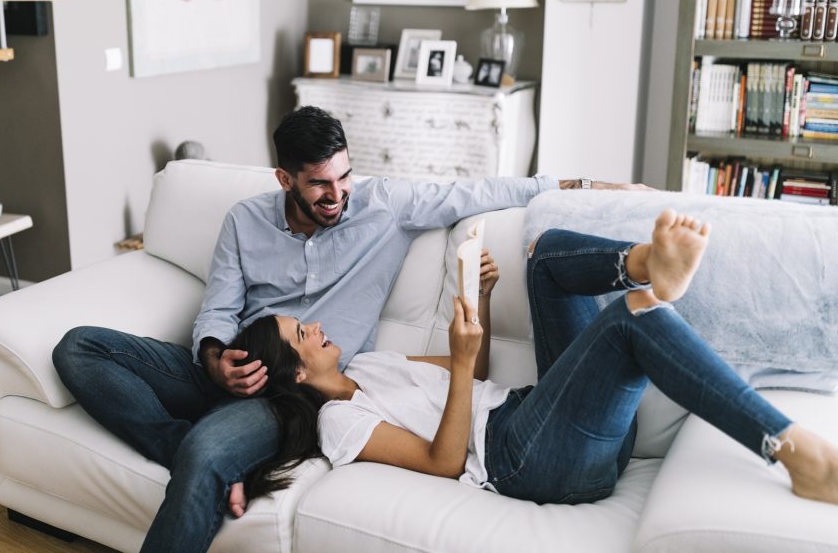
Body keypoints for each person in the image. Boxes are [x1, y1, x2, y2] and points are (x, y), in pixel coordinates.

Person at [51, 106, 647, 553]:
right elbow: (219, 308)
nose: (337, 195)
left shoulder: (381, 206)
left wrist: (581, 188)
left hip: (293, 392)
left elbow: (480, 191)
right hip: (238, 363)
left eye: (344, 178)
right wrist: (213, 356)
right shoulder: (244, 221)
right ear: (285, 179)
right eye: (319, 184)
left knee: (208, 452)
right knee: (79, 348)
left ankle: (198, 450)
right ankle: (171, 442)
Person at [231, 210, 838, 508]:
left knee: (544, 256)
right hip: (526, 461)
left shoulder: (366, 364)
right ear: (298, 372)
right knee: (629, 318)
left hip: (539, 417)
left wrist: (481, 303)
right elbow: (443, 462)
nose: (313, 326)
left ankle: (648, 264)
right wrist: (464, 362)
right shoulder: (336, 424)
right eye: (299, 334)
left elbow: (477, 370)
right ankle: (791, 451)